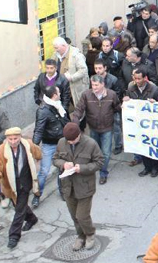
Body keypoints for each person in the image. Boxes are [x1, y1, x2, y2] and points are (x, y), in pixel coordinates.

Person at [53, 123, 104, 251]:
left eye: (73, 140)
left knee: (82, 216)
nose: (70, 143)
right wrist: (64, 164)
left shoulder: (91, 144)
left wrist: (82, 168)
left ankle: (90, 234)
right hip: (68, 187)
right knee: (74, 215)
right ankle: (80, 236)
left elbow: (99, 162)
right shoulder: (61, 142)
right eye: (68, 141)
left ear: (79, 135)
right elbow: (55, 159)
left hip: (85, 187)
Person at [0, 127, 42, 249]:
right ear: (6, 139)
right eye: (10, 139)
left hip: (25, 182)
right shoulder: (0, 151)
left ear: (20, 137)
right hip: (10, 185)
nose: (13, 141)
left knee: (19, 210)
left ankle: (14, 235)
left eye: (15, 138)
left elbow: (37, 152)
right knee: (18, 205)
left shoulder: (27, 144)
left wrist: (39, 159)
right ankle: (32, 219)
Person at [71, 75, 121, 184]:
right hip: (93, 128)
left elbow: (117, 107)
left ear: (103, 84)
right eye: (92, 85)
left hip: (107, 128)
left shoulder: (111, 94)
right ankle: (95, 167)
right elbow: (79, 109)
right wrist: (75, 122)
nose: (94, 87)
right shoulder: (86, 95)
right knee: (95, 151)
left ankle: (103, 173)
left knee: (106, 153)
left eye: (96, 85)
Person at [32, 85, 69, 207]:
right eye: (58, 92)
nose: (60, 93)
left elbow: (65, 121)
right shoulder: (43, 110)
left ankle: (63, 191)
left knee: (62, 169)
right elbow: (38, 129)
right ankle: (37, 195)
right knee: (44, 171)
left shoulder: (58, 105)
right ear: (54, 95)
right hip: (49, 144)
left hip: (62, 142)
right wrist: (33, 147)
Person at [123, 68, 158, 174]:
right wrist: (126, 100)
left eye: (139, 79)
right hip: (139, 123)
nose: (137, 81)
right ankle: (147, 167)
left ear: (145, 78)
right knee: (142, 146)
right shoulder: (131, 88)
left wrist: (155, 102)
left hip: (152, 123)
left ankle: (156, 168)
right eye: (135, 78)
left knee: (153, 146)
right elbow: (127, 101)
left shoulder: (154, 89)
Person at [52, 37, 90, 110]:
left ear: (64, 46)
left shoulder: (76, 55)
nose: (55, 50)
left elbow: (83, 70)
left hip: (75, 88)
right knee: (64, 110)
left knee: (80, 109)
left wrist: (71, 78)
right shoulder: (56, 55)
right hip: (62, 89)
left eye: (57, 48)